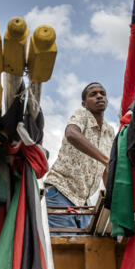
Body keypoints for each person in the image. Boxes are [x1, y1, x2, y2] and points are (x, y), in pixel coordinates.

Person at [43, 82, 115, 231]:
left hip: (84, 203)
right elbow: (71, 134)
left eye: (102, 93)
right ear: (84, 103)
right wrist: (105, 160)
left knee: (86, 249)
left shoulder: (109, 131)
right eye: (93, 94)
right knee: (65, 248)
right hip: (60, 191)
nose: (99, 96)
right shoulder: (82, 115)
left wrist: (112, 201)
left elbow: (106, 169)